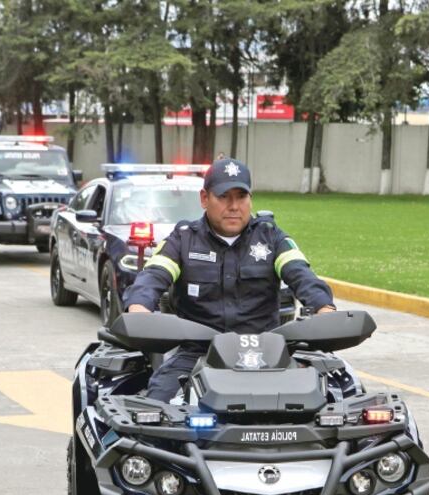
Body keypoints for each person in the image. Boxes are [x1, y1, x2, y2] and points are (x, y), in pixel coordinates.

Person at [122, 158, 336, 401]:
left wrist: (324, 308)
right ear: (204, 198)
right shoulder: (183, 240)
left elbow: (301, 274)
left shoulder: (271, 237)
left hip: (266, 357)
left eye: (241, 197)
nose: (234, 206)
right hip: (197, 354)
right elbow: (153, 275)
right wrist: (139, 309)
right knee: (158, 405)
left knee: (324, 399)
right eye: (224, 197)